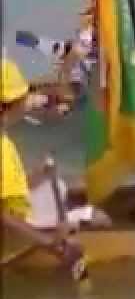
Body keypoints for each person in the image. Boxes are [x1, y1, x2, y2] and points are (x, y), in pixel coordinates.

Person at [1, 58, 88, 259]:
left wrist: (39, 175)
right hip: (15, 230)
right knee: (96, 219)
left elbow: (9, 192)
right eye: (24, 96)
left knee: (59, 188)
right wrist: (47, 241)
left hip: (18, 221)